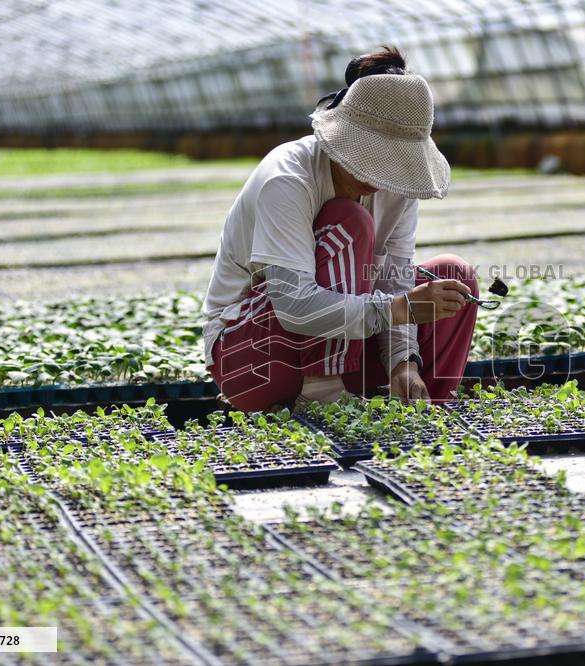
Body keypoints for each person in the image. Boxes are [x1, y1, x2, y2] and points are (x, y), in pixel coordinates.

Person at [202, 47, 478, 412]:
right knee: (350, 223)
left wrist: (403, 361)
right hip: (254, 358)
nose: (377, 179)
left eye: (394, 165)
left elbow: (394, 281)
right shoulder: (288, 177)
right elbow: (294, 307)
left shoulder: (398, 186)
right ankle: (324, 399)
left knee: (454, 276)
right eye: (370, 159)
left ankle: (420, 403)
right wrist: (399, 308)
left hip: (350, 350)